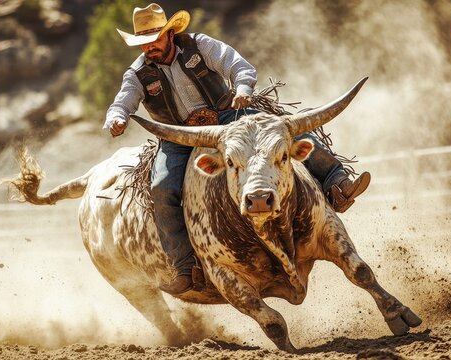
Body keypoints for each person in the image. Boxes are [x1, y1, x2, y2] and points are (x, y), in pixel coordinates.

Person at [105, 3, 371, 295]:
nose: (149, 47)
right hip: (179, 137)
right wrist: (116, 117)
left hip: (229, 117)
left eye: (154, 39)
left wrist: (243, 89)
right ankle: (184, 265)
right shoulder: (138, 73)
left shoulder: (199, 45)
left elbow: (239, 66)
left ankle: (336, 183)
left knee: (284, 128)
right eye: (143, 42)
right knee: (161, 187)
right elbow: (123, 100)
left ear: (170, 34)